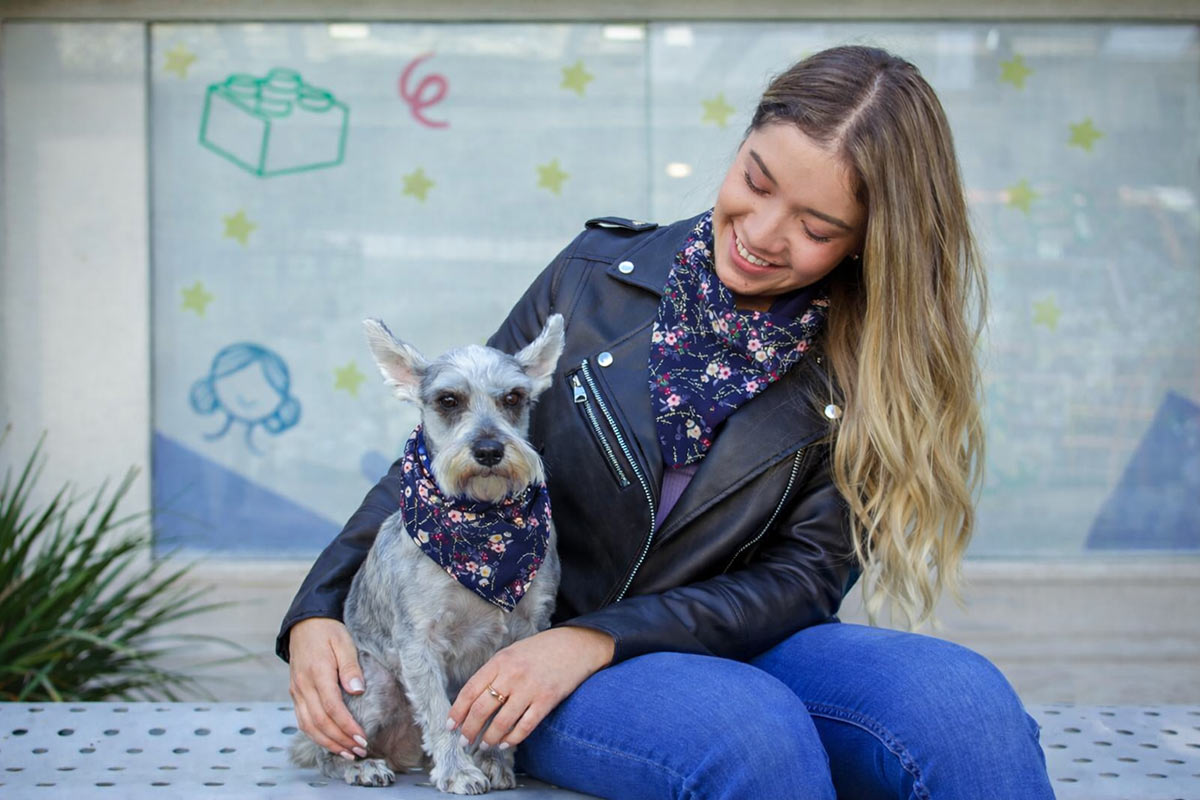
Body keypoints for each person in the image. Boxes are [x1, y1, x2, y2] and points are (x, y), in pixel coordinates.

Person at [278, 45, 1056, 798]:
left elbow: (804, 578)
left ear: (868, 243)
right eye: (756, 179)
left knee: (966, 704)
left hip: (733, 641)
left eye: (816, 229)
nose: (760, 233)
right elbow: (445, 453)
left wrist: (603, 637)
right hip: (534, 649)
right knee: (747, 732)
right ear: (742, 142)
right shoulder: (590, 277)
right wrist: (318, 608)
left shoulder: (872, 367)